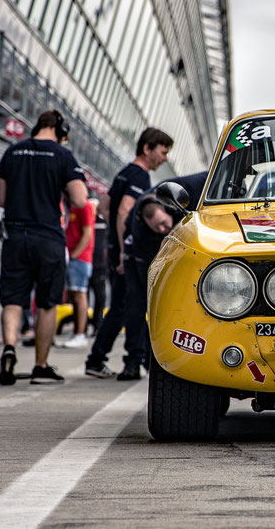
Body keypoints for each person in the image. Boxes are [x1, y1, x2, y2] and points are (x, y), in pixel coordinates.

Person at [0, 110, 87, 385]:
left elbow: (1, 198)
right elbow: (81, 199)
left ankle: (9, 347)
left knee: (13, 299)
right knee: (47, 303)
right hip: (47, 237)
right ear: (60, 131)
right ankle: (40, 366)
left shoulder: (13, 152)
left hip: (15, 236)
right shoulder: (63, 157)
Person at [85, 127, 172, 379]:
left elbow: (103, 207)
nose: (165, 158)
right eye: (163, 152)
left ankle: (127, 356)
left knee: (123, 305)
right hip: (124, 254)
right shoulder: (140, 176)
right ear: (148, 148)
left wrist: (115, 238)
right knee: (127, 305)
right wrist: (125, 249)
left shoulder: (123, 173)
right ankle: (104, 357)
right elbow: (124, 211)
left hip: (113, 249)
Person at [116, 172, 206, 381]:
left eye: (165, 223)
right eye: (158, 227)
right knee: (136, 305)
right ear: (147, 223)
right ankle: (134, 360)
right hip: (137, 258)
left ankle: (156, 358)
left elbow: (209, 176)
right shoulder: (139, 231)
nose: (164, 229)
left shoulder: (179, 191)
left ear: (167, 210)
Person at [58, 196, 95, 348]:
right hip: (73, 257)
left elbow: (88, 233)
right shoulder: (71, 206)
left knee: (79, 296)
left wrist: (74, 255)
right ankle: (77, 333)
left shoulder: (83, 205)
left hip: (79, 259)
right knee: (74, 296)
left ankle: (80, 334)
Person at [88, 194, 110, 334]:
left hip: (100, 266)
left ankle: (98, 324)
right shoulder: (85, 222)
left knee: (100, 296)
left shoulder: (104, 223)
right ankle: (83, 325)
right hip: (86, 262)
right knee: (82, 296)